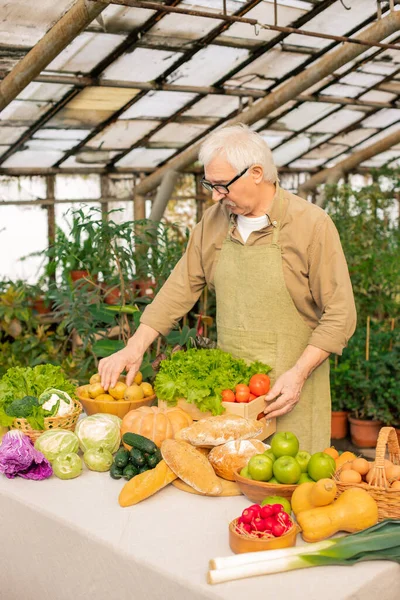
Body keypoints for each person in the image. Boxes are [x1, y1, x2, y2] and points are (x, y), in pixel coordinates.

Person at [99, 124, 356, 452]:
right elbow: (179, 290)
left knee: (292, 489)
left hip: (291, 394)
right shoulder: (212, 222)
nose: (216, 195)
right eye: (210, 184)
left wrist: (299, 374)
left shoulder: (312, 225)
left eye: (222, 186)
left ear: (257, 173)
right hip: (231, 399)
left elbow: (340, 315)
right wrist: (134, 347)